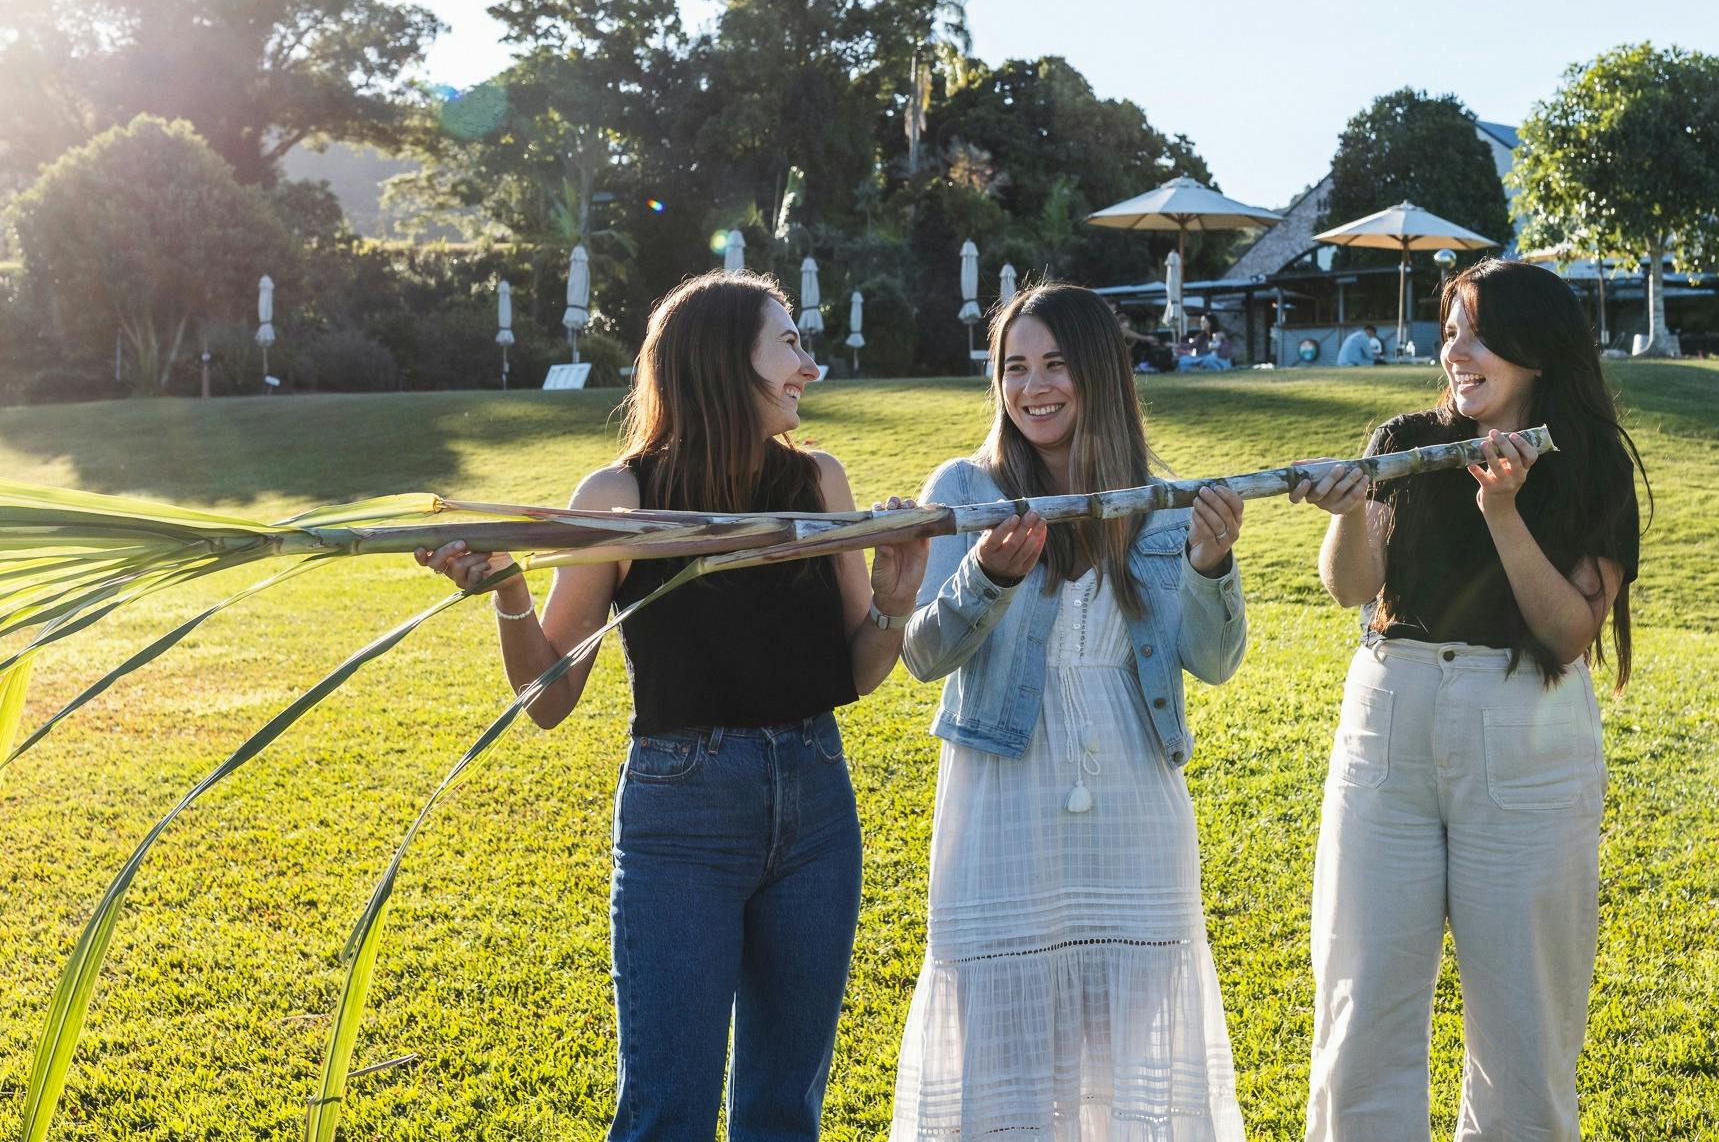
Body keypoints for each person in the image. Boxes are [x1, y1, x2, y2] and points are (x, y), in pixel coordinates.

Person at [416, 271, 927, 1141]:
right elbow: (550, 697)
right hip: (681, 817)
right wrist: (508, 590)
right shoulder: (619, 498)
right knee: (667, 1113)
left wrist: (893, 597)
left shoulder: (820, 483)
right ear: (728, 359)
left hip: (817, 802)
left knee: (782, 1109)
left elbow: (861, 668)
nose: (809, 364)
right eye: (791, 342)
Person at [1289, 259, 1644, 1142]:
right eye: (1450, 331)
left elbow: (1566, 633)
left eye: (1478, 331)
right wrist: (1347, 508)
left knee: (1524, 1033)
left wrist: (1504, 512)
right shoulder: (1406, 437)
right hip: (1389, 715)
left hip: (1524, 727)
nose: (1457, 350)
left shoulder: (1591, 462)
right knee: (1359, 1009)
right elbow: (1348, 585)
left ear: (1537, 347)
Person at [889, 282, 1251, 1141]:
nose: (1032, 387)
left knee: (1123, 1067)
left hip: (1132, 812)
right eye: (1014, 367)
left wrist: (1211, 562)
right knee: (1002, 1061)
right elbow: (922, 652)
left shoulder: (1161, 503)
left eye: (1054, 364)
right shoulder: (965, 488)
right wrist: (990, 577)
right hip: (1000, 807)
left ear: (1098, 374)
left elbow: (1216, 659)